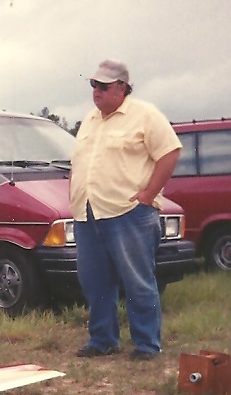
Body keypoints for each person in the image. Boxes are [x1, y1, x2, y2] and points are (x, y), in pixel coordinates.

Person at [70, 60, 181, 361]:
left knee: (137, 280)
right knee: (94, 281)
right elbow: (80, 163)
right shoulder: (90, 120)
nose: (96, 91)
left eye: (103, 86)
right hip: (88, 213)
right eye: (93, 84)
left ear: (122, 87)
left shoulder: (145, 115)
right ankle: (103, 340)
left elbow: (170, 153)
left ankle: (147, 344)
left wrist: (148, 194)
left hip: (129, 213)